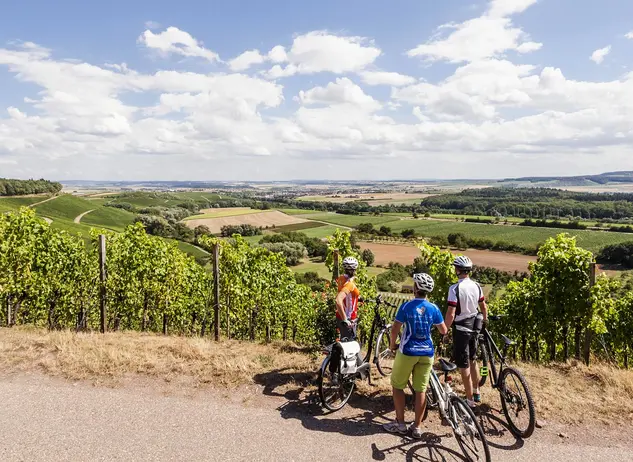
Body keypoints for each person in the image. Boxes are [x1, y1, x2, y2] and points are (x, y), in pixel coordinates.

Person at [383, 273, 448, 438]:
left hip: (408, 352)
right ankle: (417, 427)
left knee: (398, 386)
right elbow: (443, 330)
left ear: (416, 288)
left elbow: (395, 328)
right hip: (427, 353)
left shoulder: (406, 306)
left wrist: (392, 345)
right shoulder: (434, 308)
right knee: (421, 390)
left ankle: (400, 424)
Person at [444, 255, 488, 408]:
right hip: (475, 326)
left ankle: (469, 401)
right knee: (473, 360)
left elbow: (451, 313)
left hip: (461, 329)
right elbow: (483, 307)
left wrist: (444, 330)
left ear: (457, 270)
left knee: (464, 366)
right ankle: (476, 392)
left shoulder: (454, 289)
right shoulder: (476, 286)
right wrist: (484, 321)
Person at [335, 256, 361, 340]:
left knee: (343, 342)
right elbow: (338, 300)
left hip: (339, 316)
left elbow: (347, 295)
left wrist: (358, 298)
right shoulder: (350, 285)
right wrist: (345, 319)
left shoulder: (341, 279)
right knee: (349, 345)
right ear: (355, 270)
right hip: (348, 318)